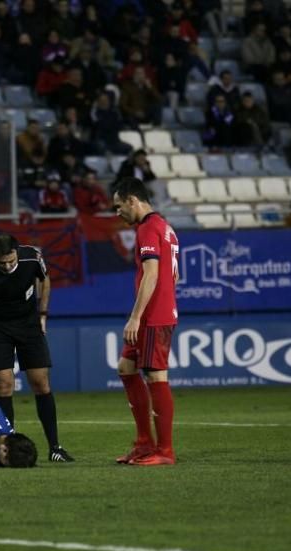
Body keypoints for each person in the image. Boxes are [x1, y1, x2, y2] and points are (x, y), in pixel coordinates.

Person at [0, 233, 73, 462]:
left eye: (11, 261)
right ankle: (8, 445)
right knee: (4, 385)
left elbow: (45, 279)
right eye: (1, 262)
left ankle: (55, 447)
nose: (6, 266)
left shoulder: (32, 257)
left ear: (17, 252)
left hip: (28, 324)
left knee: (41, 382)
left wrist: (43, 313)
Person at [110, 177, 179, 466]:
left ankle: (164, 451)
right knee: (126, 367)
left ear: (132, 200)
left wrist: (136, 317)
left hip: (153, 316)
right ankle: (144, 443)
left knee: (155, 376)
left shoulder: (149, 228)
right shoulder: (163, 227)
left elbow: (151, 274)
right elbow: (170, 274)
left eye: (118, 207)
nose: (117, 213)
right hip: (157, 310)